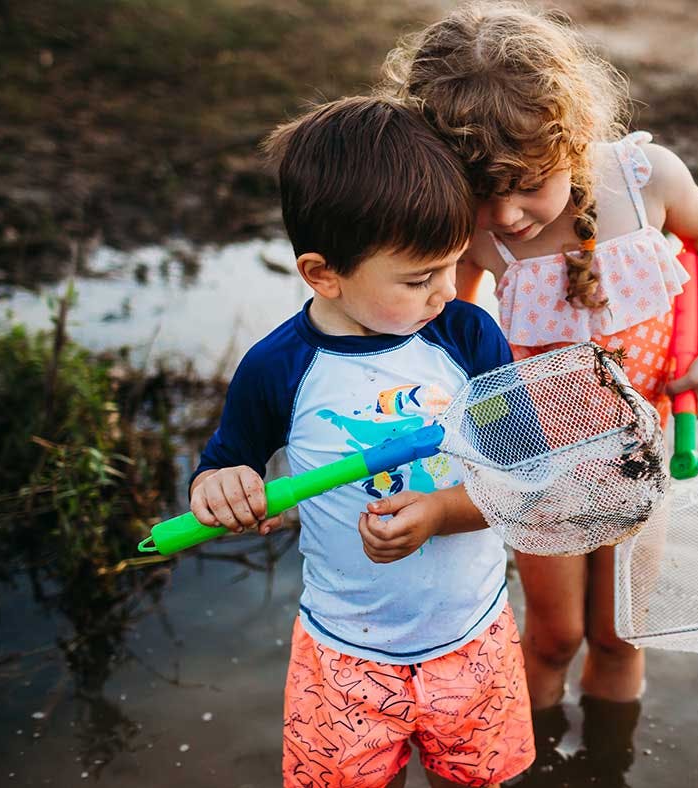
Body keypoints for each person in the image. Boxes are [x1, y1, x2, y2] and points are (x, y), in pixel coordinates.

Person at [384, 0, 698, 761]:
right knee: (553, 636)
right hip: (537, 462)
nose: (507, 214)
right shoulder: (477, 239)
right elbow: (452, 335)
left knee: (618, 634)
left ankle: (609, 766)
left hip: (646, 455)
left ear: (572, 135)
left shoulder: (649, 181)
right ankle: (528, 764)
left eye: (526, 187)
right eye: (484, 193)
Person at [188, 94, 533, 788]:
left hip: (474, 640)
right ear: (323, 274)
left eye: (452, 264)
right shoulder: (278, 368)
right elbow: (223, 471)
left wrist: (442, 514)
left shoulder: (468, 337)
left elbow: (524, 478)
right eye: (418, 278)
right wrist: (220, 492)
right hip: (343, 658)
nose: (446, 291)